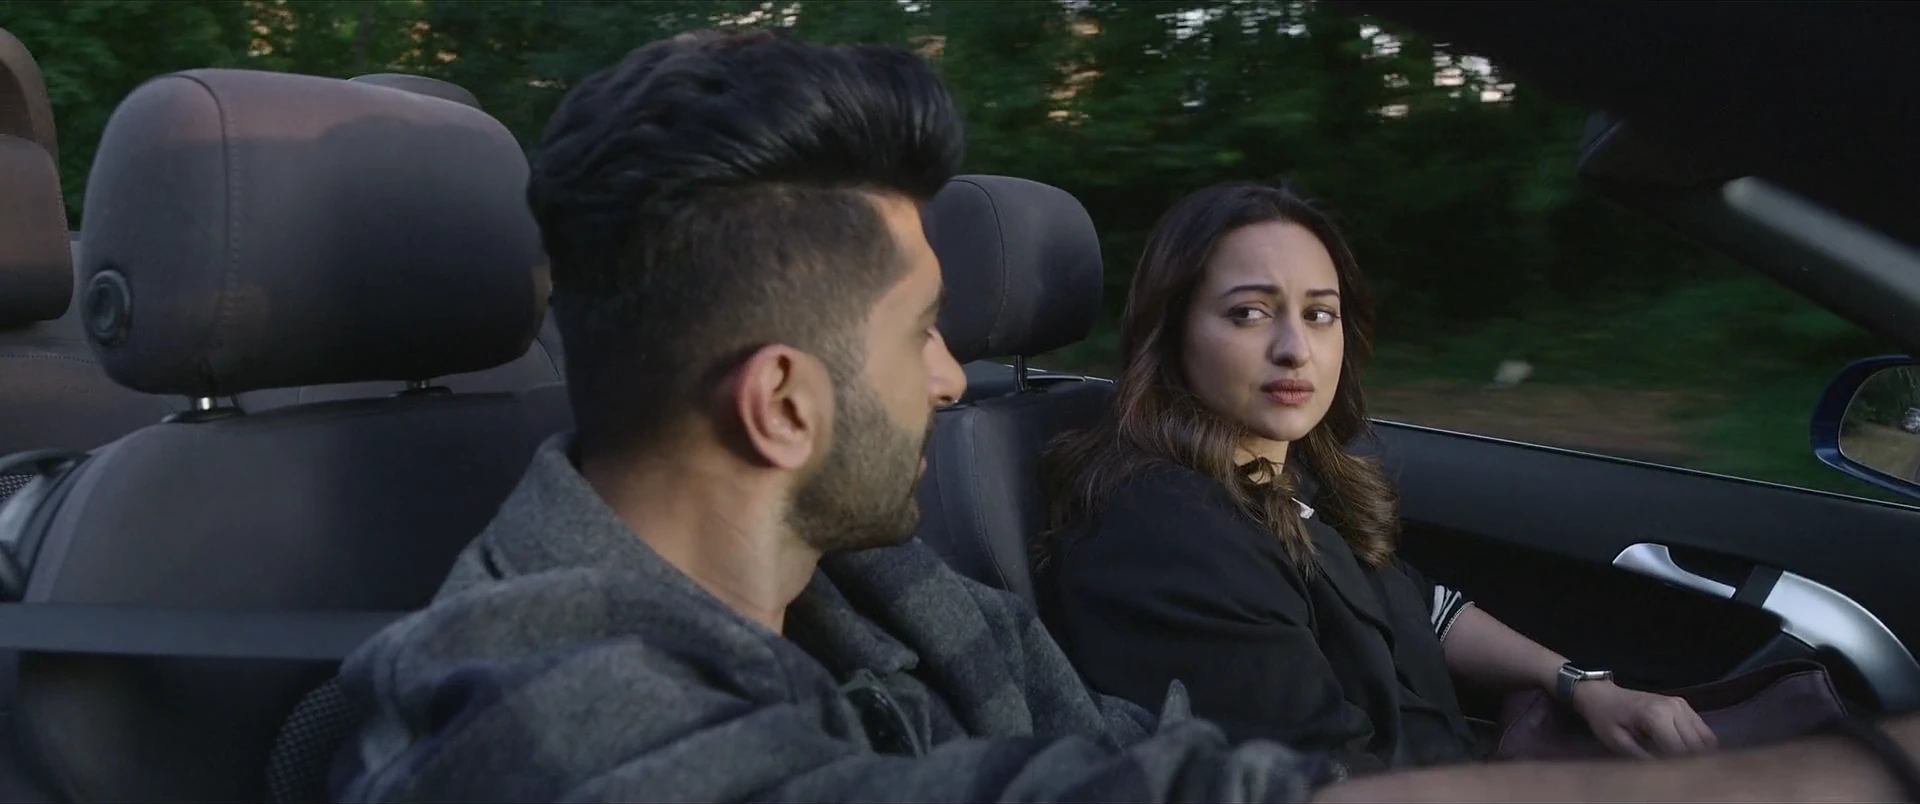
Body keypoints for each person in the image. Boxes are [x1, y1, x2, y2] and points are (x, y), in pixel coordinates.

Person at [325, 28, 1920, 804]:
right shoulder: (537, 720)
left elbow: (1134, 762)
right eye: (923, 335)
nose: (954, 381)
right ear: (783, 404)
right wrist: (1835, 779)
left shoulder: (877, 579)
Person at [1034, 182, 1713, 772]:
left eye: (1318, 314)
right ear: (1172, 331)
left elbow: (1419, 605)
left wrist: (1580, 686)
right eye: (1249, 313)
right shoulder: (1168, 527)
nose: (1295, 348)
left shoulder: (1280, 475)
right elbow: (1325, 775)